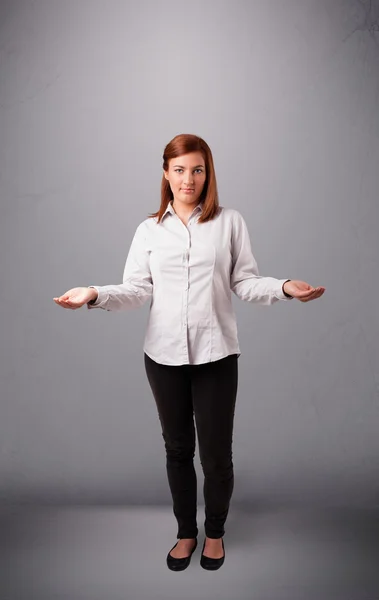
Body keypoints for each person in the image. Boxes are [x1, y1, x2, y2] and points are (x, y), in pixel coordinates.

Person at [53, 133, 325, 572]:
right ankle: (185, 532)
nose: (188, 179)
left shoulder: (229, 222)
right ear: (165, 172)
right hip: (162, 358)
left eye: (197, 169)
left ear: (207, 173)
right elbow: (136, 289)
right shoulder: (148, 230)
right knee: (177, 450)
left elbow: (243, 282)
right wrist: (93, 293)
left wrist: (284, 287)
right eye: (179, 169)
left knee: (216, 454)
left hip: (217, 355)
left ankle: (214, 532)